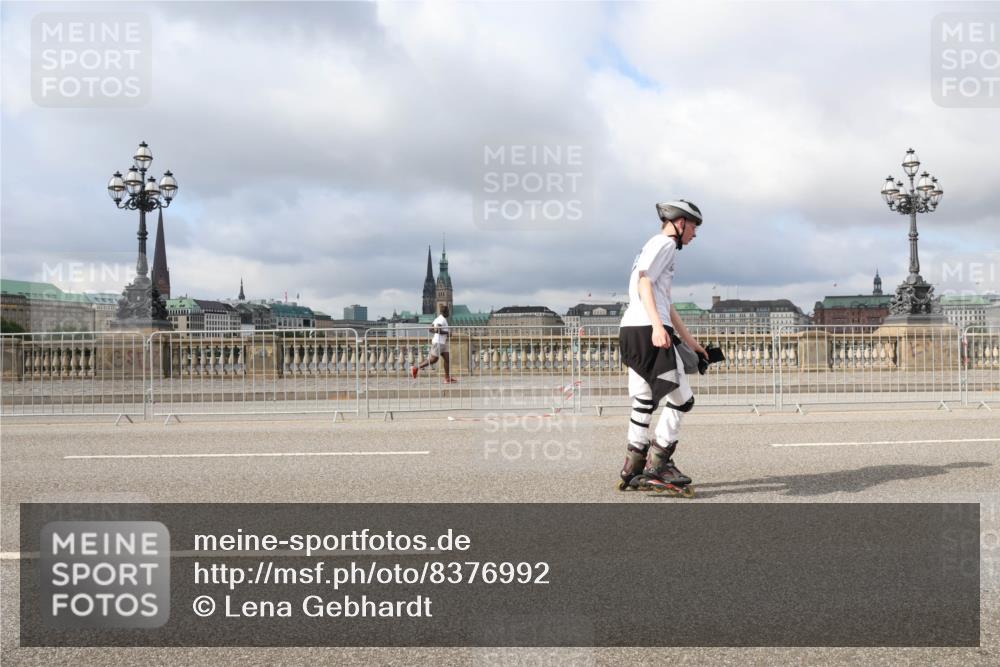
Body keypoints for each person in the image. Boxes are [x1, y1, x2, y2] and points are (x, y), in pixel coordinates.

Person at [617, 199, 706, 497]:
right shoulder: (665, 244)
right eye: (693, 226)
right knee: (682, 399)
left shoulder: (650, 247)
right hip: (648, 329)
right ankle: (660, 462)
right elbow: (645, 283)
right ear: (680, 223)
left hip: (631, 329)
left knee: (643, 399)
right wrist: (657, 326)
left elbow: (665, 301)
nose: (695, 233)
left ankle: (633, 464)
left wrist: (691, 343)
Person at [412, 305, 457, 383]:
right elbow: (437, 330)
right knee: (433, 360)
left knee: (447, 359)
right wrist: (447, 333)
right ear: (445, 312)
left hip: (442, 342)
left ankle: (447, 378)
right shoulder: (441, 320)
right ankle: (416, 368)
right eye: (448, 311)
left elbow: (430, 329)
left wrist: (444, 333)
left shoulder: (438, 319)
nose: (449, 313)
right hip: (438, 342)